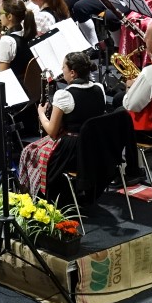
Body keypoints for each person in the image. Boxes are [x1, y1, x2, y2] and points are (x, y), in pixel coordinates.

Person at [18, 51, 107, 196]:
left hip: (73, 149)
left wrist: (41, 113)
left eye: (63, 67)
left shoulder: (64, 95)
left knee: (29, 151)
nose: (61, 71)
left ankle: (34, 194)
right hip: (96, 145)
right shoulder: (99, 88)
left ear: (72, 73)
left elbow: (52, 131)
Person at [0, 0, 35, 74]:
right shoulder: (27, 32)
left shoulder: (7, 41)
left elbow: (3, 75)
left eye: (0, 13)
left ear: (9, 16)